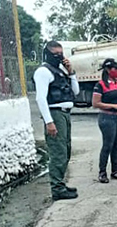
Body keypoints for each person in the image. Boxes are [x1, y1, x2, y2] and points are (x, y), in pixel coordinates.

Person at [33, 41, 80, 201]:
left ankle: (60, 184)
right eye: (56, 54)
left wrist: (71, 72)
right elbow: (40, 98)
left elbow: (76, 91)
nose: (59, 57)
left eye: (61, 54)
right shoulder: (43, 72)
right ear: (47, 54)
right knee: (58, 153)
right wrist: (49, 122)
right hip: (55, 114)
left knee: (65, 150)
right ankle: (57, 189)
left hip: (65, 114)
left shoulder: (60, 71)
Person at [92, 58, 117, 183]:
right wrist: (113, 106)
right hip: (107, 118)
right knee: (107, 145)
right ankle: (102, 172)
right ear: (108, 70)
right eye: (116, 69)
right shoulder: (100, 85)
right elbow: (96, 103)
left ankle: (115, 170)